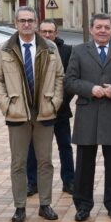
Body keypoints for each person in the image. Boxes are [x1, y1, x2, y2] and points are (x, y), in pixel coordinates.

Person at [0, 6, 64, 222]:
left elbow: (60, 76)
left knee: (45, 162)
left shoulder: (50, 48)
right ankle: (20, 206)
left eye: (30, 20)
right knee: (18, 163)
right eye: (22, 20)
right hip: (18, 114)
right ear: (16, 23)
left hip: (44, 112)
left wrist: (55, 101)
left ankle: (45, 204)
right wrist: (7, 106)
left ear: (36, 22)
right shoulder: (5, 49)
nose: (26, 24)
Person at [65, 13, 111, 222]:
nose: (103, 31)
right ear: (91, 29)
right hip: (87, 114)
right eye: (99, 27)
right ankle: (83, 206)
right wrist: (91, 89)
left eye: (107, 27)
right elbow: (69, 81)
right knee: (84, 163)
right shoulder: (78, 51)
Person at [25, 21, 76, 195]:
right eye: (44, 31)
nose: (47, 35)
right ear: (39, 32)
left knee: (65, 147)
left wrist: (57, 102)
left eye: (50, 31)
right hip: (38, 111)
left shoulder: (68, 51)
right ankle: (33, 182)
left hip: (60, 110)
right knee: (33, 148)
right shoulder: (32, 49)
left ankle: (69, 181)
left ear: (57, 33)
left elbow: (69, 81)